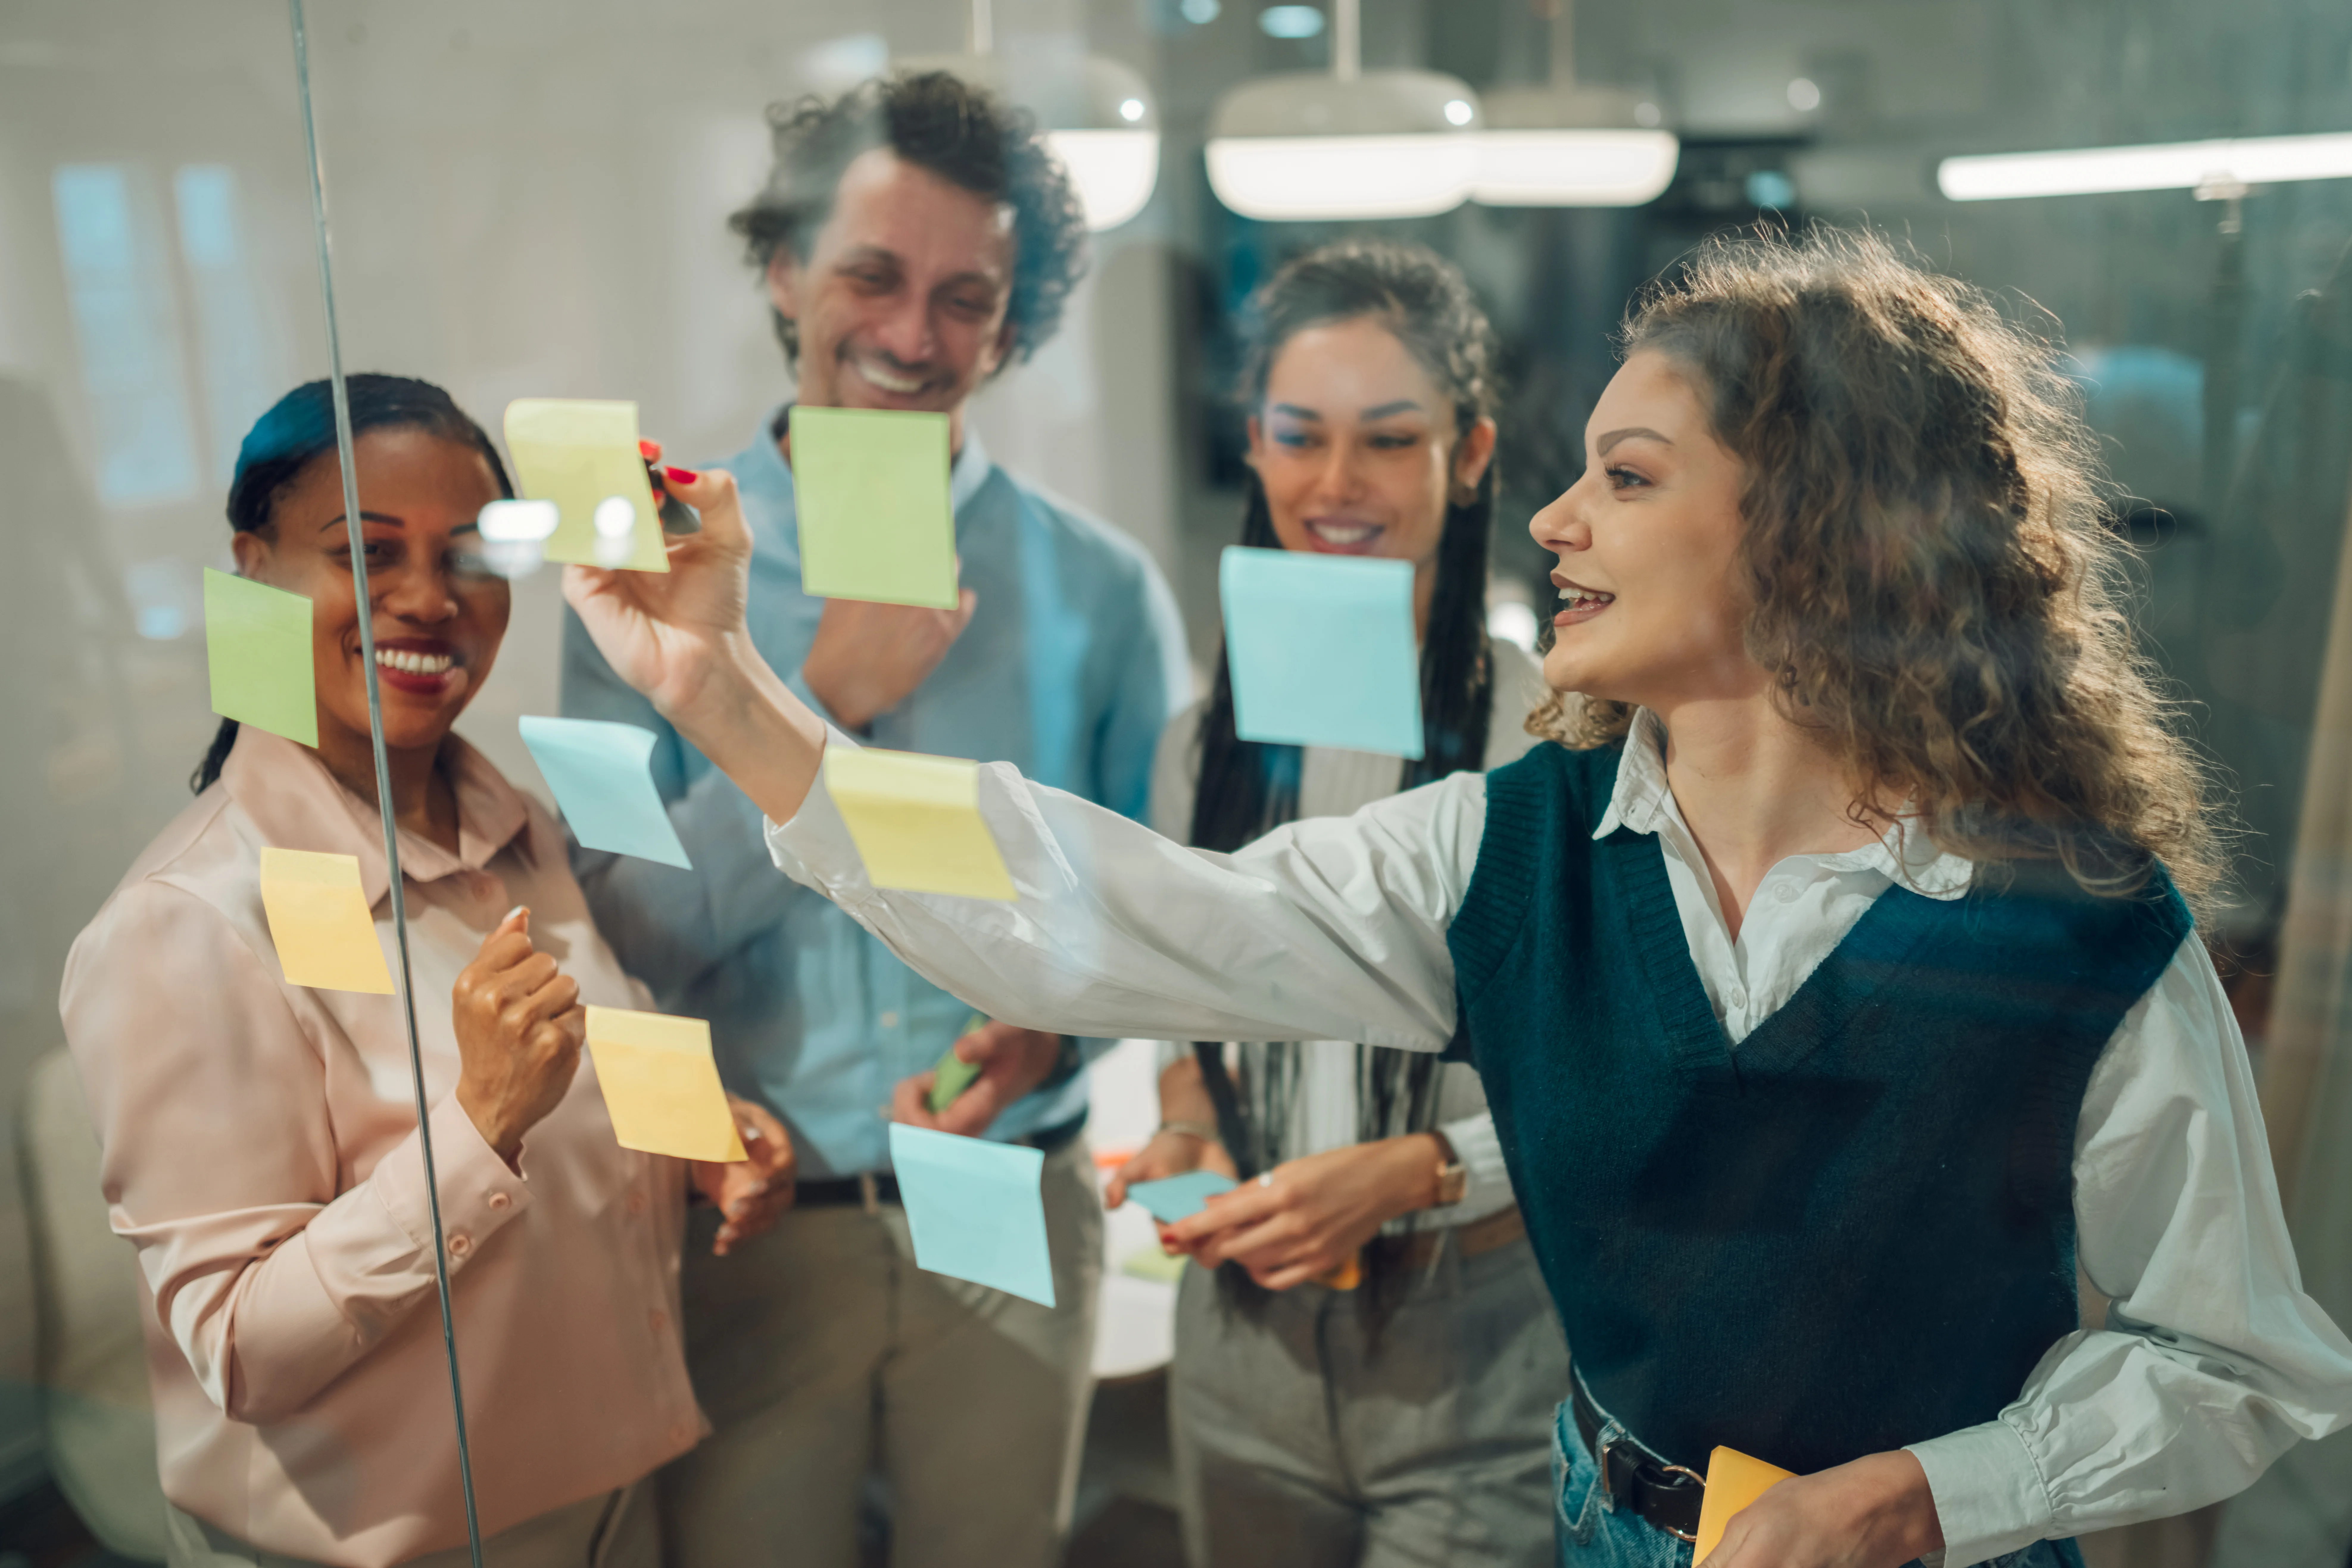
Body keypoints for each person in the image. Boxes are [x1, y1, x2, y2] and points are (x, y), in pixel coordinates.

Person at [566, 228, 2352, 1568]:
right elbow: (1102, 910)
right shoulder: (1499, 851)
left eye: (1626, 478)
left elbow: (2236, 1361)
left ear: (1819, 528)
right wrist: (735, 696)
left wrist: (1921, 1498)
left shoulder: (2074, 929)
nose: (1554, 521)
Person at [559, 71, 1190, 1568]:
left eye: (965, 298)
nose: (913, 335)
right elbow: (618, 929)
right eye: (871, 275)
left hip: (1012, 1196)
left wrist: (1055, 1036)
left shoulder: (1103, 592)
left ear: (1011, 327)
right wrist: (818, 704)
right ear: (784, 269)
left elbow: (1156, 921)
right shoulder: (640, 576)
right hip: (750, 1219)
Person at [60, 375, 794, 1568]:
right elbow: (238, 1347)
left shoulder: (516, 826)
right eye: (365, 552)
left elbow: (582, 1052)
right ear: (253, 569)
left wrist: (697, 1134)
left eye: (467, 556)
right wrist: (479, 1126)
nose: (427, 597)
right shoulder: (184, 923)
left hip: (607, 1496)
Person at [1101, 241, 1565, 1567]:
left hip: (1476, 1338)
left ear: (1469, 456)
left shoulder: (1553, 736)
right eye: (1301, 436)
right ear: (1254, 443)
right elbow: (1194, 1029)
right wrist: (1189, 1131)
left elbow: (1614, 1075)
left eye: (1390, 439)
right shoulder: (1203, 745)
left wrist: (1416, 1169)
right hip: (1240, 1341)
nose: (1338, 483)